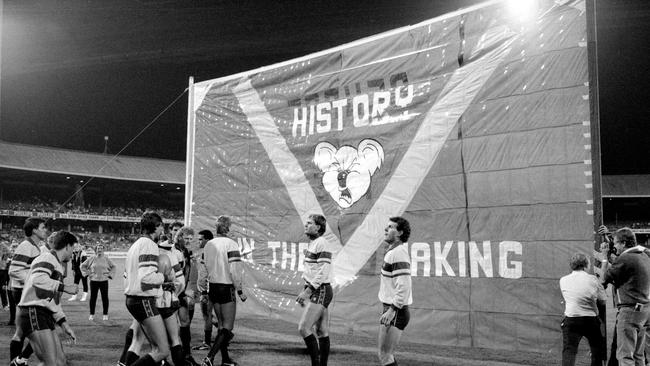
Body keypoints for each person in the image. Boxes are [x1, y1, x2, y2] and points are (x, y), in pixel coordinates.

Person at [16, 230, 78, 366]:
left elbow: (53, 301)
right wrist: (65, 287)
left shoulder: (56, 265)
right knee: (51, 363)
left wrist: (64, 324)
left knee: (60, 362)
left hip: (43, 314)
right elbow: (38, 279)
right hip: (33, 311)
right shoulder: (47, 258)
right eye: (73, 248)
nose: (73, 253)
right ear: (67, 246)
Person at [123, 211, 169, 366]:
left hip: (133, 299)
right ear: (156, 226)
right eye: (161, 227)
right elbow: (146, 277)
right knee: (161, 350)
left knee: (141, 343)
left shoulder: (136, 245)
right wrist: (163, 276)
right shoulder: (149, 244)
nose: (162, 231)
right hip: (143, 301)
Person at [600, 227, 650, 366]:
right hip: (644, 310)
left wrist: (604, 258)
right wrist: (609, 240)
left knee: (625, 357)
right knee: (638, 356)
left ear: (623, 243)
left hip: (630, 312)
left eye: (616, 243)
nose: (614, 246)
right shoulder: (643, 254)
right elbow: (619, 264)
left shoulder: (626, 258)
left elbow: (603, 279)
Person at [201, 216, 246, 366]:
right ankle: (210, 358)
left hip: (213, 287)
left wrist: (203, 291)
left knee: (221, 325)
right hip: (226, 287)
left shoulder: (208, 245)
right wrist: (239, 290)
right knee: (227, 327)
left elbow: (203, 270)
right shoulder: (231, 244)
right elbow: (234, 271)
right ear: (227, 228)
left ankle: (225, 360)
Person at [8, 217, 47, 366]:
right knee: (39, 330)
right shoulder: (26, 246)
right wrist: (34, 281)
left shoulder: (35, 246)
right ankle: (19, 361)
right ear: (34, 230)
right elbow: (14, 270)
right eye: (43, 227)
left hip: (25, 292)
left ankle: (17, 361)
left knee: (22, 331)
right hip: (22, 292)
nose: (45, 230)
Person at [296, 214, 334, 366]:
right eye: (306, 223)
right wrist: (306, 288)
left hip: (321, 290)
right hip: (320, 290)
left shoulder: (322, 243)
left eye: (309, 223)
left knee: (304, 328)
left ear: (318, 227)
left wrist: (308, 291)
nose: (306, 225)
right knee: (322, 331)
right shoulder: (314, 243)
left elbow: (323, 272)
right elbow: (312, 271)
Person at [559, 252, 607, 366]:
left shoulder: (563, 280)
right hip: (590, 319)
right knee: (596, 351)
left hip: (571, 319)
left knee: (569, 351)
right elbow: (603, 300)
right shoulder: (593, 279)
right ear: (586, 265)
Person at [378, 216, 412, 366]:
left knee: (385, 356)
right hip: (391, 309)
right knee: (384, 355)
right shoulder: (393, 251)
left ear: (400, 233)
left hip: (396, 311)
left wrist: (392, 310)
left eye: (391, 227)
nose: (386, 229)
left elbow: (404, 286)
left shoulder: (398, 253)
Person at [193, 229, 217, 351]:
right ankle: (224, 333)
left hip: (207, 289)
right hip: (217, 286)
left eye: (201, 239)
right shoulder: (216, 251)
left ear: (207, 240)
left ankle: (207, 342)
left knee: (206, 315)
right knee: (211, 315)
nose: (199, 241)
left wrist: (203, 292)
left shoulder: (206, 252)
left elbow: (203, 274)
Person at [81, 243, 116, 321]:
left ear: (103, 250)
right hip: (94, 281)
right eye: (98, 248)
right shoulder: (91, 258)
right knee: (93, 298)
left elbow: (114, 266)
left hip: (104, 281)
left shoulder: (107, 258)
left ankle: (105, 314)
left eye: (101, 248)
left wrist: (110, 275)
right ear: (95, 250)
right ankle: (91, 314)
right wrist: (88, 273)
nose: (99, 250)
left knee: (105, 298)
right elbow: (82, 266)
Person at [0, 240, 10, 311]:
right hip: (1, 271)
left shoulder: (7, 253)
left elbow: (8, 256)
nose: (4, 248)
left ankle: (5, 304)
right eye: (3, 247)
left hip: (5, 271)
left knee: (4, 288)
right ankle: (5, 304)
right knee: (2, 288)